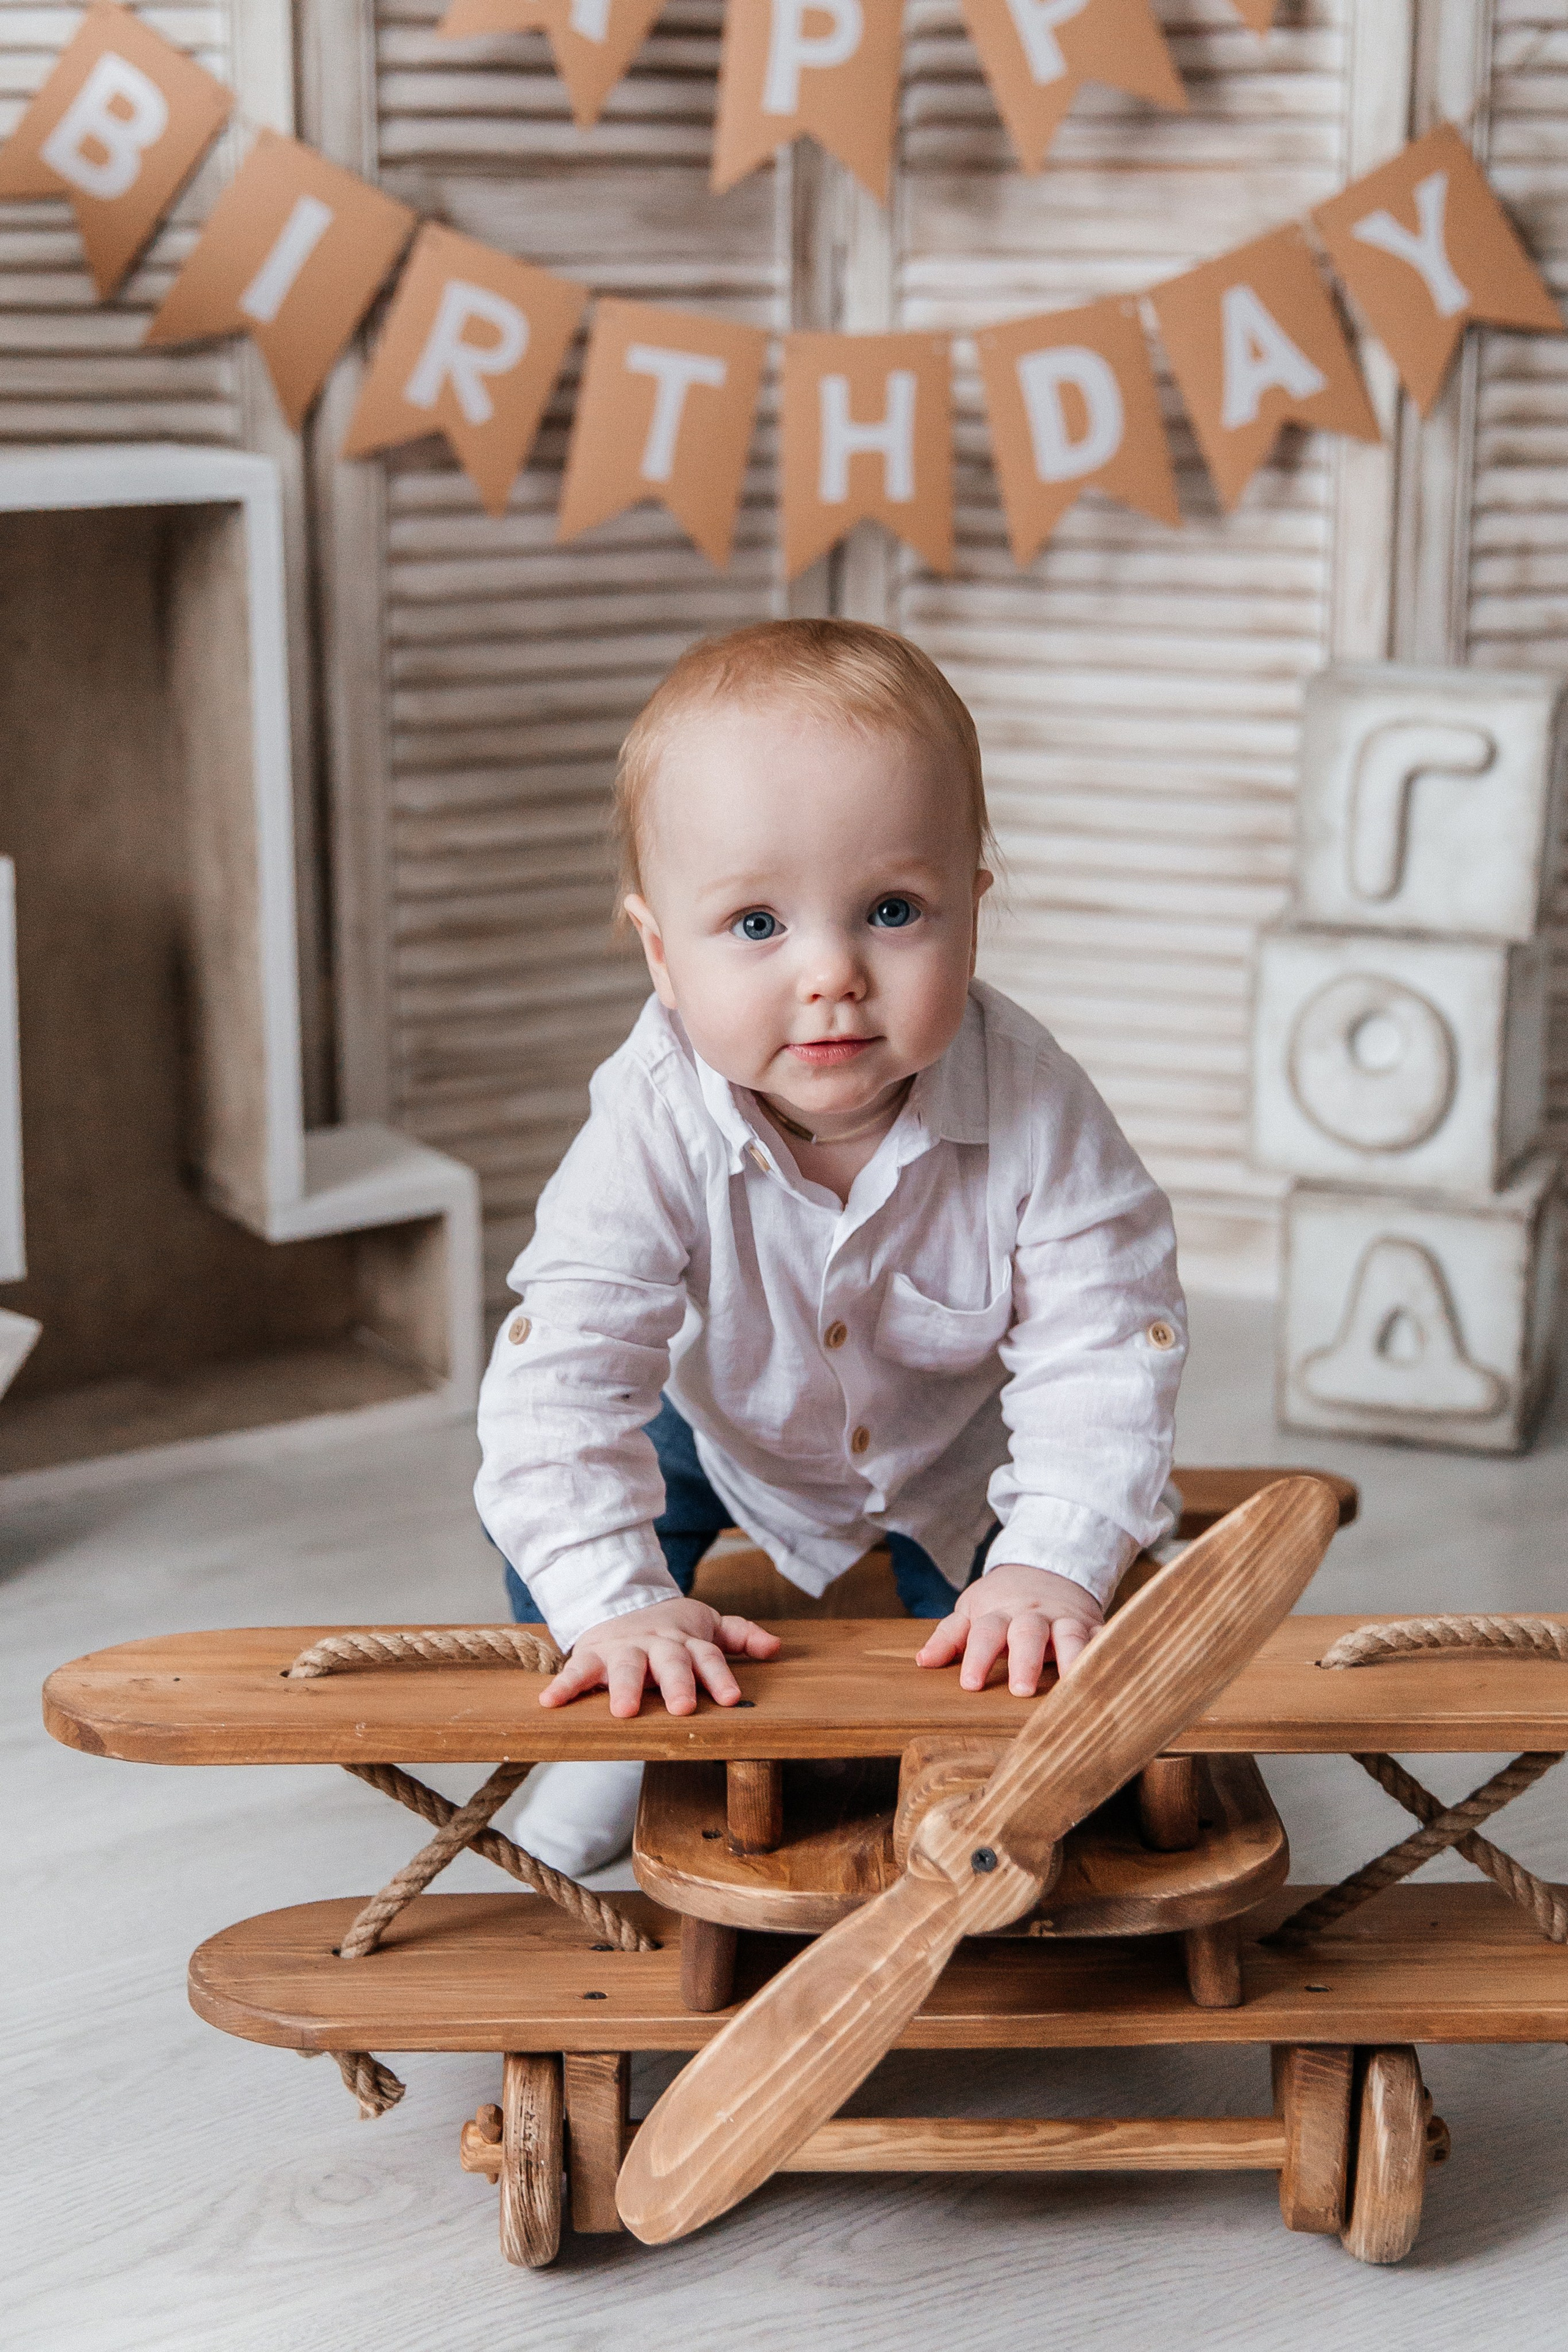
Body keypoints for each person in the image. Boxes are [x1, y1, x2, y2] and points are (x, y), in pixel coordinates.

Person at [476, 618, 1186, 1874]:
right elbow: (563, 1374)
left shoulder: (1034, 1104)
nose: (829, 975)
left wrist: (1050, 1561)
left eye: (891, 910)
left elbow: (1103, 1340)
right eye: (754, 925)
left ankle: (1005, 1716)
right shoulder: (651, 1119)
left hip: (952, 1454)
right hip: (721, 1423)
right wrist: (619, 1604)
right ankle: (609, 1738)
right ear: (659, 949)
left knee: (1031, 1655)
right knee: (553, 1525)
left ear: (972, 906)